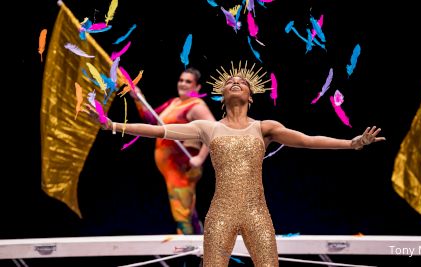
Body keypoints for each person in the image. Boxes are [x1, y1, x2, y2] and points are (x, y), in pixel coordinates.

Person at [84, 62, 385, 266]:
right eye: (230, 82)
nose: (236, 82)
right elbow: (159, 131)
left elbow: (307, 139)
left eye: (241, 82)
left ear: (251, 97)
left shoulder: (265, 127)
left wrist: (352, 143)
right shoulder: (209, 128)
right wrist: (112, 125)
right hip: (221, 214)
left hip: (257, 213)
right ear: (222, 96)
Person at [129, 67, 216, 235]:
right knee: (187, 213)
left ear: (197, 87)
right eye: (181, 80)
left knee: (182, 213)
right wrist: (138, 98)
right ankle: (200, 250)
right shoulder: (174, 102)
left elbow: (213, 131)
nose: (183, 84)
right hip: (171, 168)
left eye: (188, 81)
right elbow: (152, 120)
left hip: (183, 168)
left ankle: (187, 254)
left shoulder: (196, 106)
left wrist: (200, 158)